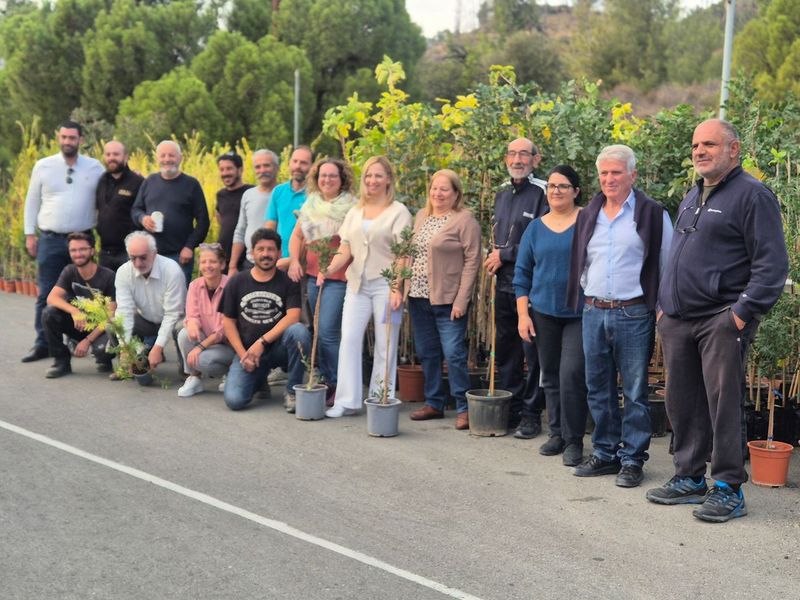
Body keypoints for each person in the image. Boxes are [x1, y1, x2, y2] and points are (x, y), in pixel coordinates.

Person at [646, 119, 788, 522]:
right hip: (678, 318)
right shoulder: (693, 195)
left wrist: (740, 314)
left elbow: (771, 264)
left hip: (720, 319)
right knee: (682, 401)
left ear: (733, 149)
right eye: (695, 145)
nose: (699, 151)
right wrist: (663, 306)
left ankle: (727, 487)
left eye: (709, 143)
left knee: (722, 404)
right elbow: (676, 258)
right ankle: (689, 477)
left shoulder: (753, 195)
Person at [566, 144, 673, 488]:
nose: (609, 179)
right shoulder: (588, 214)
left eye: (616, 172)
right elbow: (580, 259)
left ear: (633, 175)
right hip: (594, 311)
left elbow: (667, 263)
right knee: (597, 387)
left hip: (634, 312)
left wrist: (660, 309)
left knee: (636, 390)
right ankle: (605, 453)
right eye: (603, 173)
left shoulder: (652, 213)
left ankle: (632, 459)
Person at [323, 156, 413, 418]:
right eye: (368, 176)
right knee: (349, 339)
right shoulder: (355, 212)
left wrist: (397, 289)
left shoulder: (399, 211)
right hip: (357, 285)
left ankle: (380, 397)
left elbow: (403, 254)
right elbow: (345, 248)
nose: (372, 180)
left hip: (387, 286)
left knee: (386, 343)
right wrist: (328, 269)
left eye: (378, 175)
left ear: (388, 180)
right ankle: (347, 401)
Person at [514, 166, 588, 466]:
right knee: (551, 375)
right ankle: (556, 433)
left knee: (571, 374)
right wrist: (523, 314)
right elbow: (522, 273)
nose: (556, 191)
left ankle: (574, 440)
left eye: (563, 186)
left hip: (579, 313)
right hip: (543, 311)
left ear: (576, 191)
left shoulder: (587, 221)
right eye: (552, 186)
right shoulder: (536, 228)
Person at [22, 120, 104, 363]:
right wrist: (29, 234)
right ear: (59, 138)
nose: (68, 142)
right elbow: (32, 201)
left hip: (83, 240)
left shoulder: (94, 167)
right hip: (51, 240)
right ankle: (43, 344)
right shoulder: (43, 166)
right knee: (46, 292)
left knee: (87, 295)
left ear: (80, 140)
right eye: (64, 137)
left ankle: (91, 342)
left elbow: (112, 183)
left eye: (73, 138)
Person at [406, 170, 481, 430]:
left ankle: (463, 407)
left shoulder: (464, 220)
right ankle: (434, 402)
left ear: (456, 193)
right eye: (434, 189)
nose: (438, 194)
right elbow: (409, 253)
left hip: (448, 299)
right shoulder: (421, 216)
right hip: (418, 296)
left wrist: (462, 300)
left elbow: (473, 261)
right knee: (428, 353)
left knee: (454, 354)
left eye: (444, 190)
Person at [484, 137, 548, 438]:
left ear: (536, 159)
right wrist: (494, 255)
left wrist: (504, 254)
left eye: (524, 154)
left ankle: (532, 413)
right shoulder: (501, 193)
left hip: (531, 288)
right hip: (503, 284)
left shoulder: (543, 191)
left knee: (532, 351)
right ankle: (511, 407)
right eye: (511, 153)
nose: (517, 159)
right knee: (508, 349)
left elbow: (544, 236)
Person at [287, 158, 357, 405]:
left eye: (332, 176)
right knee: (319, 330)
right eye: (322, 175)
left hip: (338, 277)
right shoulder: (311, 204)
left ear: (342, 179)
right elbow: (297, 236)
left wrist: (330, 268)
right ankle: (328, 380)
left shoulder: (352, 208)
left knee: (328, 332)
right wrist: (295, 260)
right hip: (312, 277)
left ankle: (338, 384)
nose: (327, 180)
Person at [220, 228, 311, 412]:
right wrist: (243, 354)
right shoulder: (237, 281)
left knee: (299, 332)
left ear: (279, 253)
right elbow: (228, 322)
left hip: (279, 348)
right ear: (252, 253)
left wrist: (262, 342)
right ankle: (259, 379)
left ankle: (292, 391)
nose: (265, 254)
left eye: (270, 249)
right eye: (260, 249)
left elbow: (293, 316)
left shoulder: (288, 280)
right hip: (247, 351)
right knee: (234, 400)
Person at [130, 140, 210, 285]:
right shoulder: (149, 181)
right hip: (149, 255)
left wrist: (189, 247)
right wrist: (142, 218)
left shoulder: (191, 184)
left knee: (178, 299)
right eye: (163, 155)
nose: (167, 159)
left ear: (180, 158)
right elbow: (135, 210)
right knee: (151, 299)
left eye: (171, 155)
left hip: (179, 255)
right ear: (157, 158)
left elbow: (203, 221)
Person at [41, 232, 116, 378]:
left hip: (100, 328)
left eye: (82, 249)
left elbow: (110, 315)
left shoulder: (108, 276)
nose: (78, 254)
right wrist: (74, 311)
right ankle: (61, 361)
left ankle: (104, 359)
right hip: (79, 324)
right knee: (49, 313)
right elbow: (52, 297)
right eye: (73, 250)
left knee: (102, 349)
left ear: (92, 250)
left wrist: (88, 341)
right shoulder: (69, 271)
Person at [114, 231, 187, 374]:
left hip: (177, 319)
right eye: (133, 258)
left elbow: (173, 313)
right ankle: (136, 365)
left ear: (154, 253)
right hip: (146, 319)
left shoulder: (172, 270)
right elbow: (124, 310)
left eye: (143, 257)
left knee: (182, 330)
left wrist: (158, 347)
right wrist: (124, 347)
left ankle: (186, 368)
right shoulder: (123, 272)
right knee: (115, 323)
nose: (138, 263)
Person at [176, 243, 236, 397]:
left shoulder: (232, 286)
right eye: (203, 262)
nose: (207, 266)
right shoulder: (195, 285)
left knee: (203, 360)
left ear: (222, 264)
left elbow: (223, 330)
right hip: (208, 339)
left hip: (229, 345)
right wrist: (192, 325)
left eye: (213, 262)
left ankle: (230, 372)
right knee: (184, 334)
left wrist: (200, 347)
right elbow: (191, 314)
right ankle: (194, 378)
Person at [95, 140, 144, 271]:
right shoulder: (101, 180)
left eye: (116, 154)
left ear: (126, 156)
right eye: (108, 154)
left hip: (129, 252)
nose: (111, 158)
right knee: (106, 291)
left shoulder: (138, 182)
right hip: (105, 253)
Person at [229, 149, 279, 274]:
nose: (262, 170)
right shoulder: (248, 195)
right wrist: (232, 266)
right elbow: (240, 231)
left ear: (276, 167)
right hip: (250, 263)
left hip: (278, 264)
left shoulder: (283, 194)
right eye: (258, 167)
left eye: (267, 165)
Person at [265, 146, 313, 269]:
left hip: (305, 266)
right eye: (295, 161)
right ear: (289, 163)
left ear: (312, 167)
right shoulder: (278, 191)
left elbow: (313, 236)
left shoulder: (316, 196)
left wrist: (293, 260)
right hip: (278, 263)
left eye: (303, 163)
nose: (298, 166)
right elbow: (270, 228)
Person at [214, 152, 253, 273]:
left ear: (240, 170)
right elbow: (221, 220)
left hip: (246, 260)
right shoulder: (220, 195)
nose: (225, 173)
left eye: (229, 168)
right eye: (222, 169)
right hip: (224, 258)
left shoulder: (251, 192)